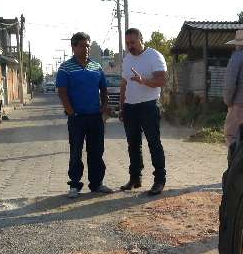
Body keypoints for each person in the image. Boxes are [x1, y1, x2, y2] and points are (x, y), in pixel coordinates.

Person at [56, 32, 114, 198]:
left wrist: (104, 108)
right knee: (76, 151)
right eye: (82, 45)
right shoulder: (66, 68)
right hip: (77, 118)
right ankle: (74, 185)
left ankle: (97, 184)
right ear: (73, 47)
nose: (86, 49)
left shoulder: (97, 67)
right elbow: (62, 92)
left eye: (87, 45)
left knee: (96, 151)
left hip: (96, 117)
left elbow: (104, 89)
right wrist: (71, 112)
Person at [119, 28, 168, 196]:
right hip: (130, 107)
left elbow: (162, 80)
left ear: (141, 39)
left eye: (132, 42)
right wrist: (122, 106)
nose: (130, 46)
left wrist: (143, 81)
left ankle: (159, 180)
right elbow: (124, 83)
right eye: (127, 43)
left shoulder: (154, 56)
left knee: (153, 143)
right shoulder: (126, 59)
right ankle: (135, 178)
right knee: (133, 144)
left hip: (148, 105)